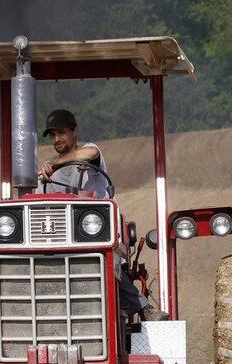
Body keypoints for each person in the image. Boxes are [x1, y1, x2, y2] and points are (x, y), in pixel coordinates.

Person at [38, 109, 168, 322]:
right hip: (65, 238)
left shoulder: (89, 153)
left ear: (74, 131)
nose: (56, 139)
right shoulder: (50, 173)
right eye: (52, 135)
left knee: (105, 260)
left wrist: (54, 164)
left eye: (61, 133)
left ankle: (143, 308)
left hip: (98, 233)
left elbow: (89, 154)